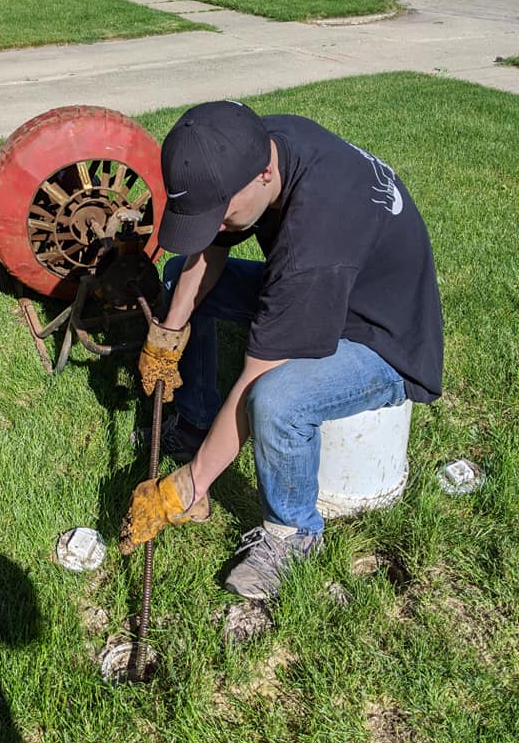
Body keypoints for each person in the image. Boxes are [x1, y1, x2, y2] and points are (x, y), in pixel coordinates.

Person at [119, 100, 443, 600]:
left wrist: (190, 487)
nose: (217, 225)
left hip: (383, 338)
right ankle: (198, 419)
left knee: (276, 400)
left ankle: (292, 536)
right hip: (333, 289)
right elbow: (210, 248)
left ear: (264, 175)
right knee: (177, 277)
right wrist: (168, 333)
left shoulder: (313, 244)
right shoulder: (256, 143)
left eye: (220, 214)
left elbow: (256, 380)